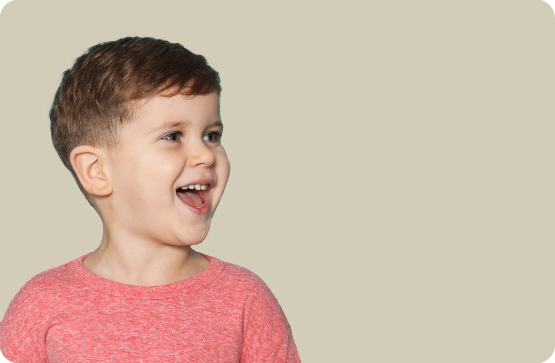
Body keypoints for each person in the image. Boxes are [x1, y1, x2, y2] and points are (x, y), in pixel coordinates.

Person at [0, 36, 301, 362]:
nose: (205, 154)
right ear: (96, 170)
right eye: (173, 136)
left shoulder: (245, 300)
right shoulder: (41, 304)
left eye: (211, 135)